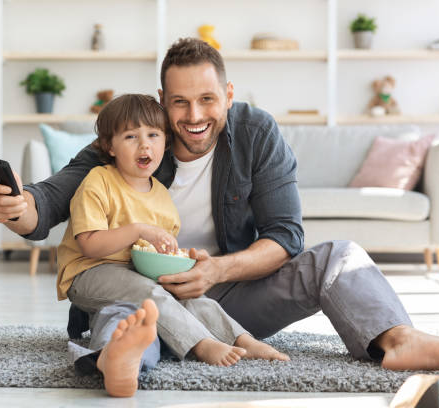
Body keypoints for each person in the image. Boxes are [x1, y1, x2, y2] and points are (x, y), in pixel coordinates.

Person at [0, 38, 439, 376]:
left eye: (207, 99)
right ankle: (123, 356)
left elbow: (285, 236)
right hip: (143, 292)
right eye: (180, 103)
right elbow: (51, 199)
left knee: (337, 255)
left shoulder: (257, 133)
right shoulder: (133, 140)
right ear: (162, 100)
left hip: (228, 294)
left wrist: (216, 272)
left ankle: (398, 339)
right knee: (134, 308)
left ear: (227, 95)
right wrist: (18, 205)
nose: (194, 116)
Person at [62, 94, 289, 394]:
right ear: (109, 146)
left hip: (136, 278)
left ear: (165, 142)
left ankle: (241, 339)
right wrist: (139, 230)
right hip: (89, 274)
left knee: (191, 298)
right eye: (131, 136)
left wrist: (182, 260)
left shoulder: (161, 197)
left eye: (153, 135)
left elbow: (156, 255)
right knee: (151, 293)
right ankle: (201, 344)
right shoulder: (98, 181)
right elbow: (89, 246)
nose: (144, 145)